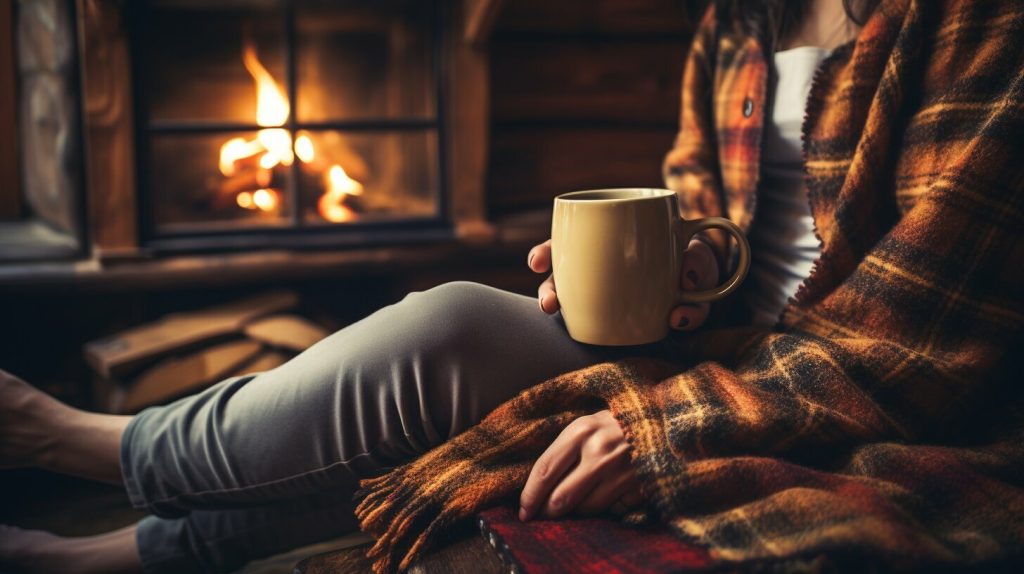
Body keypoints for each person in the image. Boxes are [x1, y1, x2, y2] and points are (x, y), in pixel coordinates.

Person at [4, 0, 1022, 572]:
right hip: (722, 338)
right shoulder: (736, 23)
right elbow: (704, 199)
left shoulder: (980, 23)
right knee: (451, 323)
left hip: (853, 382)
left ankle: (101, 454)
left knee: (453, 421)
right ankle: (126, 544)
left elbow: (914, 339)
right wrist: (692, 266)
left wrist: (675, 424)